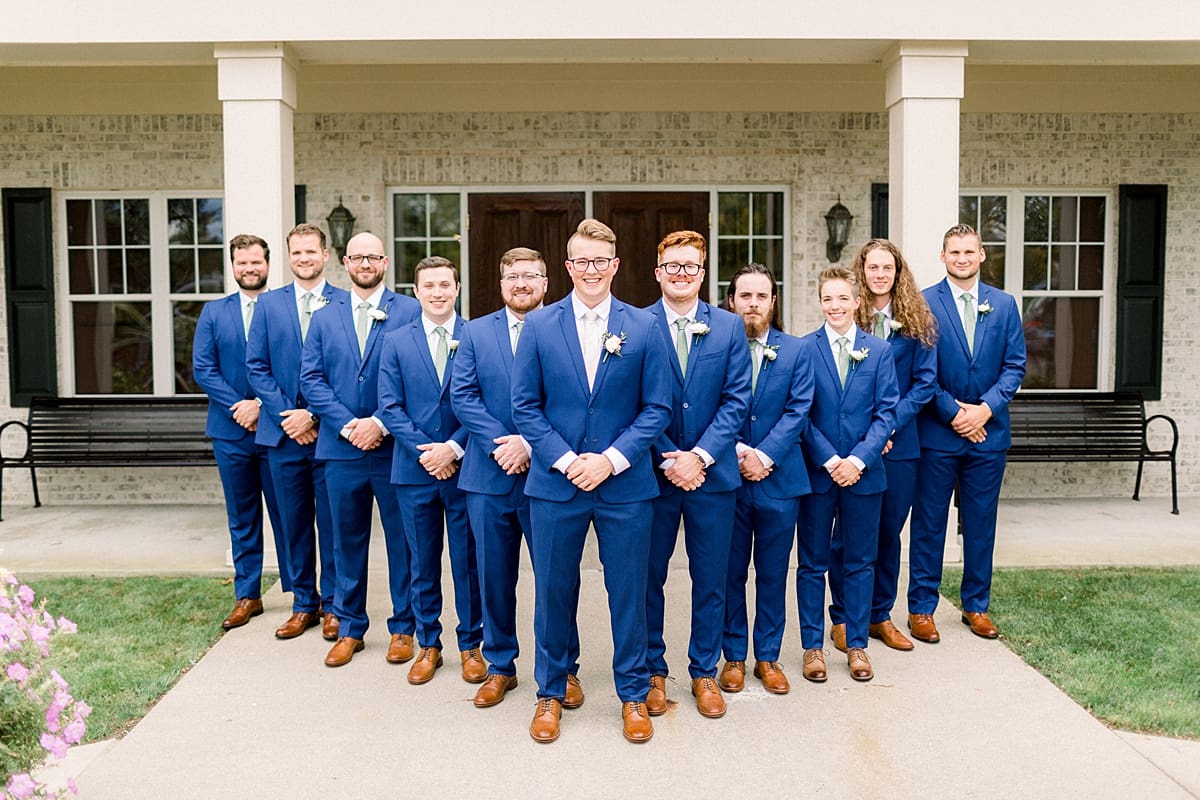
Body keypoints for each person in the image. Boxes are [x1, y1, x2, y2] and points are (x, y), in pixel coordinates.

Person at [512, 219, 671, 745]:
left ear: (616, 265)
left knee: (629, 593)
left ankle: (631, 695)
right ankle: (550, 693)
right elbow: (525, 407)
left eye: (601, 261)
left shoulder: (644, 327)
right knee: (554, 591)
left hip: (625, 486)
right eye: (582, 260)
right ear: (568, 266)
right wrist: (564, 460)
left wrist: (609, 460)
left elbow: (656, 409)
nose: (592, 270)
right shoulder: (539, 325)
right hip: (556, 485)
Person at [450, 247, 583, 709]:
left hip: (549, 476)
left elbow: (572, 398)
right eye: (512, 276)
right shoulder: (475, 332)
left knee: (556, 578)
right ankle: (501, 665)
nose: (520, 283)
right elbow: (463, 395)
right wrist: (501, 443)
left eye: (530, 276)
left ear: (546, 283)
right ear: (500, 283)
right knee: (493, 576)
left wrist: (530, 444)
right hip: (488, 475)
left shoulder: (566, 329)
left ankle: (564, 669)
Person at [298, 231, 421, 667]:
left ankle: (404, 627)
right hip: (341, 447)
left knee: (403, 543)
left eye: (373, 256)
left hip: (394, 449)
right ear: (345, 263)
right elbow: (310, 379)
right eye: (357, 257)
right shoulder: (324, 315)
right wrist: (348, 423)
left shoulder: (409, 310)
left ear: (385, 261)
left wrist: (382, 423)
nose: (365, 263)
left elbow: (420, 375)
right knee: (345, 541)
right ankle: (350, 626)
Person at [643, 230, 751, 719]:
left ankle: (704, 670)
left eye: (691, 266)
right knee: (649, 577)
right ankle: (652, 671)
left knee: (712, 577)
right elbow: (633, 401)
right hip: (653, 476)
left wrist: (700, 456)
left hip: (713, 476)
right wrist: (670, 456)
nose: (681, 274)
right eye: (673, 266)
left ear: (703, 274)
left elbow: (736, 401)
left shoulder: (728, 327)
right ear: (658, 271)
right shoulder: (637, 324)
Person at [907, 224, 1026, 643]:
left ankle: (976, 605)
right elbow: (920, 372)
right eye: (954, 252)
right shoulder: (923, 304)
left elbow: (1015, 367)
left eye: (969, 251)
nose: (961, 258)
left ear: (981, 256)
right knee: (929, 522)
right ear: (943, 256)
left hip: (988, 436)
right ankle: (922, 607)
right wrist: (955, 414)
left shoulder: (1005, 305)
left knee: (980, 523)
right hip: (938, 434)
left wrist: (985, 410)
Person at [377, 256, 485, 686]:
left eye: (445, 284)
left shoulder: (475, 335)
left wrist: (454, 446)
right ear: (416, 291)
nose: (438, 292)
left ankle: (471, 645)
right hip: (414, 468)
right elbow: (389, 404)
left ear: (456, 288)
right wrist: (426, 450)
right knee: (421, 561)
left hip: (464, 469)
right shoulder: (397, 340)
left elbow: (485, 398)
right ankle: (428, 644)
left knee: (467, 561)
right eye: (429, 286)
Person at [827, 239, 937, 655]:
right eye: (872, 267)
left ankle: (878, 614)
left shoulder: (916, 320)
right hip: (853, 446)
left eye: (887, 268)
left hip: (900, 445)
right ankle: (842, 616)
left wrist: (888, 425)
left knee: (888, 532)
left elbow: (925, 382)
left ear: (897, 272)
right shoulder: (846, 315)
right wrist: (871, 433)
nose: (879, 274)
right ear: (862, 271)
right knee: (847, 535)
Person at [797, 266, 898, 682]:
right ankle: (812, 648)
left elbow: (886, 412)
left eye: (842, 298)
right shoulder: (804, 349)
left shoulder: (879, 351)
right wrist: (829, 459)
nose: (834, 306)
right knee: (811, 563)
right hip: (819, 475)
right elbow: (800, 412)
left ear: (857, 302)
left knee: (860, 561)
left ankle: (857, 645)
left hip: (864, 474)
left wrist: (856, 460)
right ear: (819, 303)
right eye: (827, 299)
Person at [245, 224, 345, 641]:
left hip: (332, 438)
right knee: (293, 523)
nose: (303, 258)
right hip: (283, 435)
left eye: (310, 251)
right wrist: (290, 414)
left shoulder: (345, 303)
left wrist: (316, 417)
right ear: (289, 258)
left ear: (325, 254)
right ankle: (304, 602)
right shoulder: (268, 306)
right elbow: (257, 367)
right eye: (296, 253)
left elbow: (349, 373)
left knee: (337, 522)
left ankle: (338, 604)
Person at [717, 263, 812, 695]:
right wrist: (736, 451)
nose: (752, 305)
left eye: (761, 296)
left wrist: (765, 455)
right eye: (745, 296)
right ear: (731, 300)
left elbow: (799, 410)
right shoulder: (715, 347)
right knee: (729, 572)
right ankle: (733, 657)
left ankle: (767, 657)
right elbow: (706, 406)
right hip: (727, 479)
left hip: (780, 481)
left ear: (773, 302)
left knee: (773, 572)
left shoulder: (796, 351)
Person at [193, 234, 286, 630]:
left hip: (278, 430)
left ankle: (303, 595)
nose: (249, 269)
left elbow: (296, 367)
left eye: (256, 262)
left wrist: (263, 405)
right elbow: (203, 368)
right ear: (233, 266)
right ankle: (247, 595)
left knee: (290, 514)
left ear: (268, 264)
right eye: (241, 263)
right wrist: (240, 406)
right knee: (242, 515)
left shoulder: (283, 309)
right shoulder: (214, 313)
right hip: (230, 431)